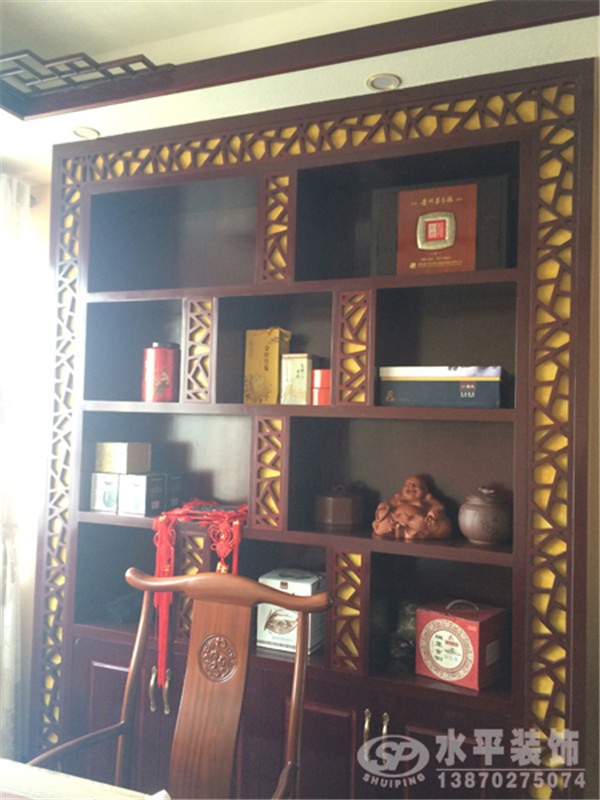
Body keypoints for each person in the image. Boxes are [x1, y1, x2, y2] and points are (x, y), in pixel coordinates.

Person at [372, 475, 451, 540]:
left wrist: (432, 514)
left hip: (415, 522)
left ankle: (405, 531)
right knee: (385, 520)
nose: (411, 487)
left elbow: (439, 508)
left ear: (425, 490)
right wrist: (383, 508)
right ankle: (394, 529)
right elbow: (388, 505)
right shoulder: (399, 498)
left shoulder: (427, 501)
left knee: (442, 526)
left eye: (416, 485)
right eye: (408, 484)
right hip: (396, 520)